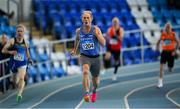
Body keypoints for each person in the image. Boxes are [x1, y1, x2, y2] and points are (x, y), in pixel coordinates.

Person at [71, 11, 106, 103]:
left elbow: (103, 44)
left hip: (96, 57)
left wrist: (98, 35)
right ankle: (86, 92)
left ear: (91, 19)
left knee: (96, 81)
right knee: (85, 72)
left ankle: (94, 90)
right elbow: (77, 40)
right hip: (85, 56)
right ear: (82, 19)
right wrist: (74, 50)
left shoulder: (96, 29)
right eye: (84, 18)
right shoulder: (78, 31)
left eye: (87, 18)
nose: (86, 19)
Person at [2, 24, 33, 102]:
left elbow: (27, 52)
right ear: (16, 32)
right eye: (18, 31)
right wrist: (10, 51)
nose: (19, 33)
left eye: (21, 31)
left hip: (22, 62)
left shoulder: (26, 42)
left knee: (22, 78)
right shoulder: (12, 41)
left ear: (23, 33)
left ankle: (19, 93)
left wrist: (29, 59)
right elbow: (3, 50)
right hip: (14, 62)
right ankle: (15, 84)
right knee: (16, 81)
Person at [156, 23, 179, 88]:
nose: (167, 29)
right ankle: (160, 82)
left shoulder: (173, 34)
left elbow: (178, 42)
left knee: (170, 68)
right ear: (165, 28)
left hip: (171, 52)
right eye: (166, 28)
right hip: (164, 52)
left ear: (171, 29)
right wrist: (157, 47)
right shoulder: (163, 34)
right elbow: (158, 41)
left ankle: (170, 67)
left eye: (169, 28)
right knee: (161, 68)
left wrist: (175, 51)